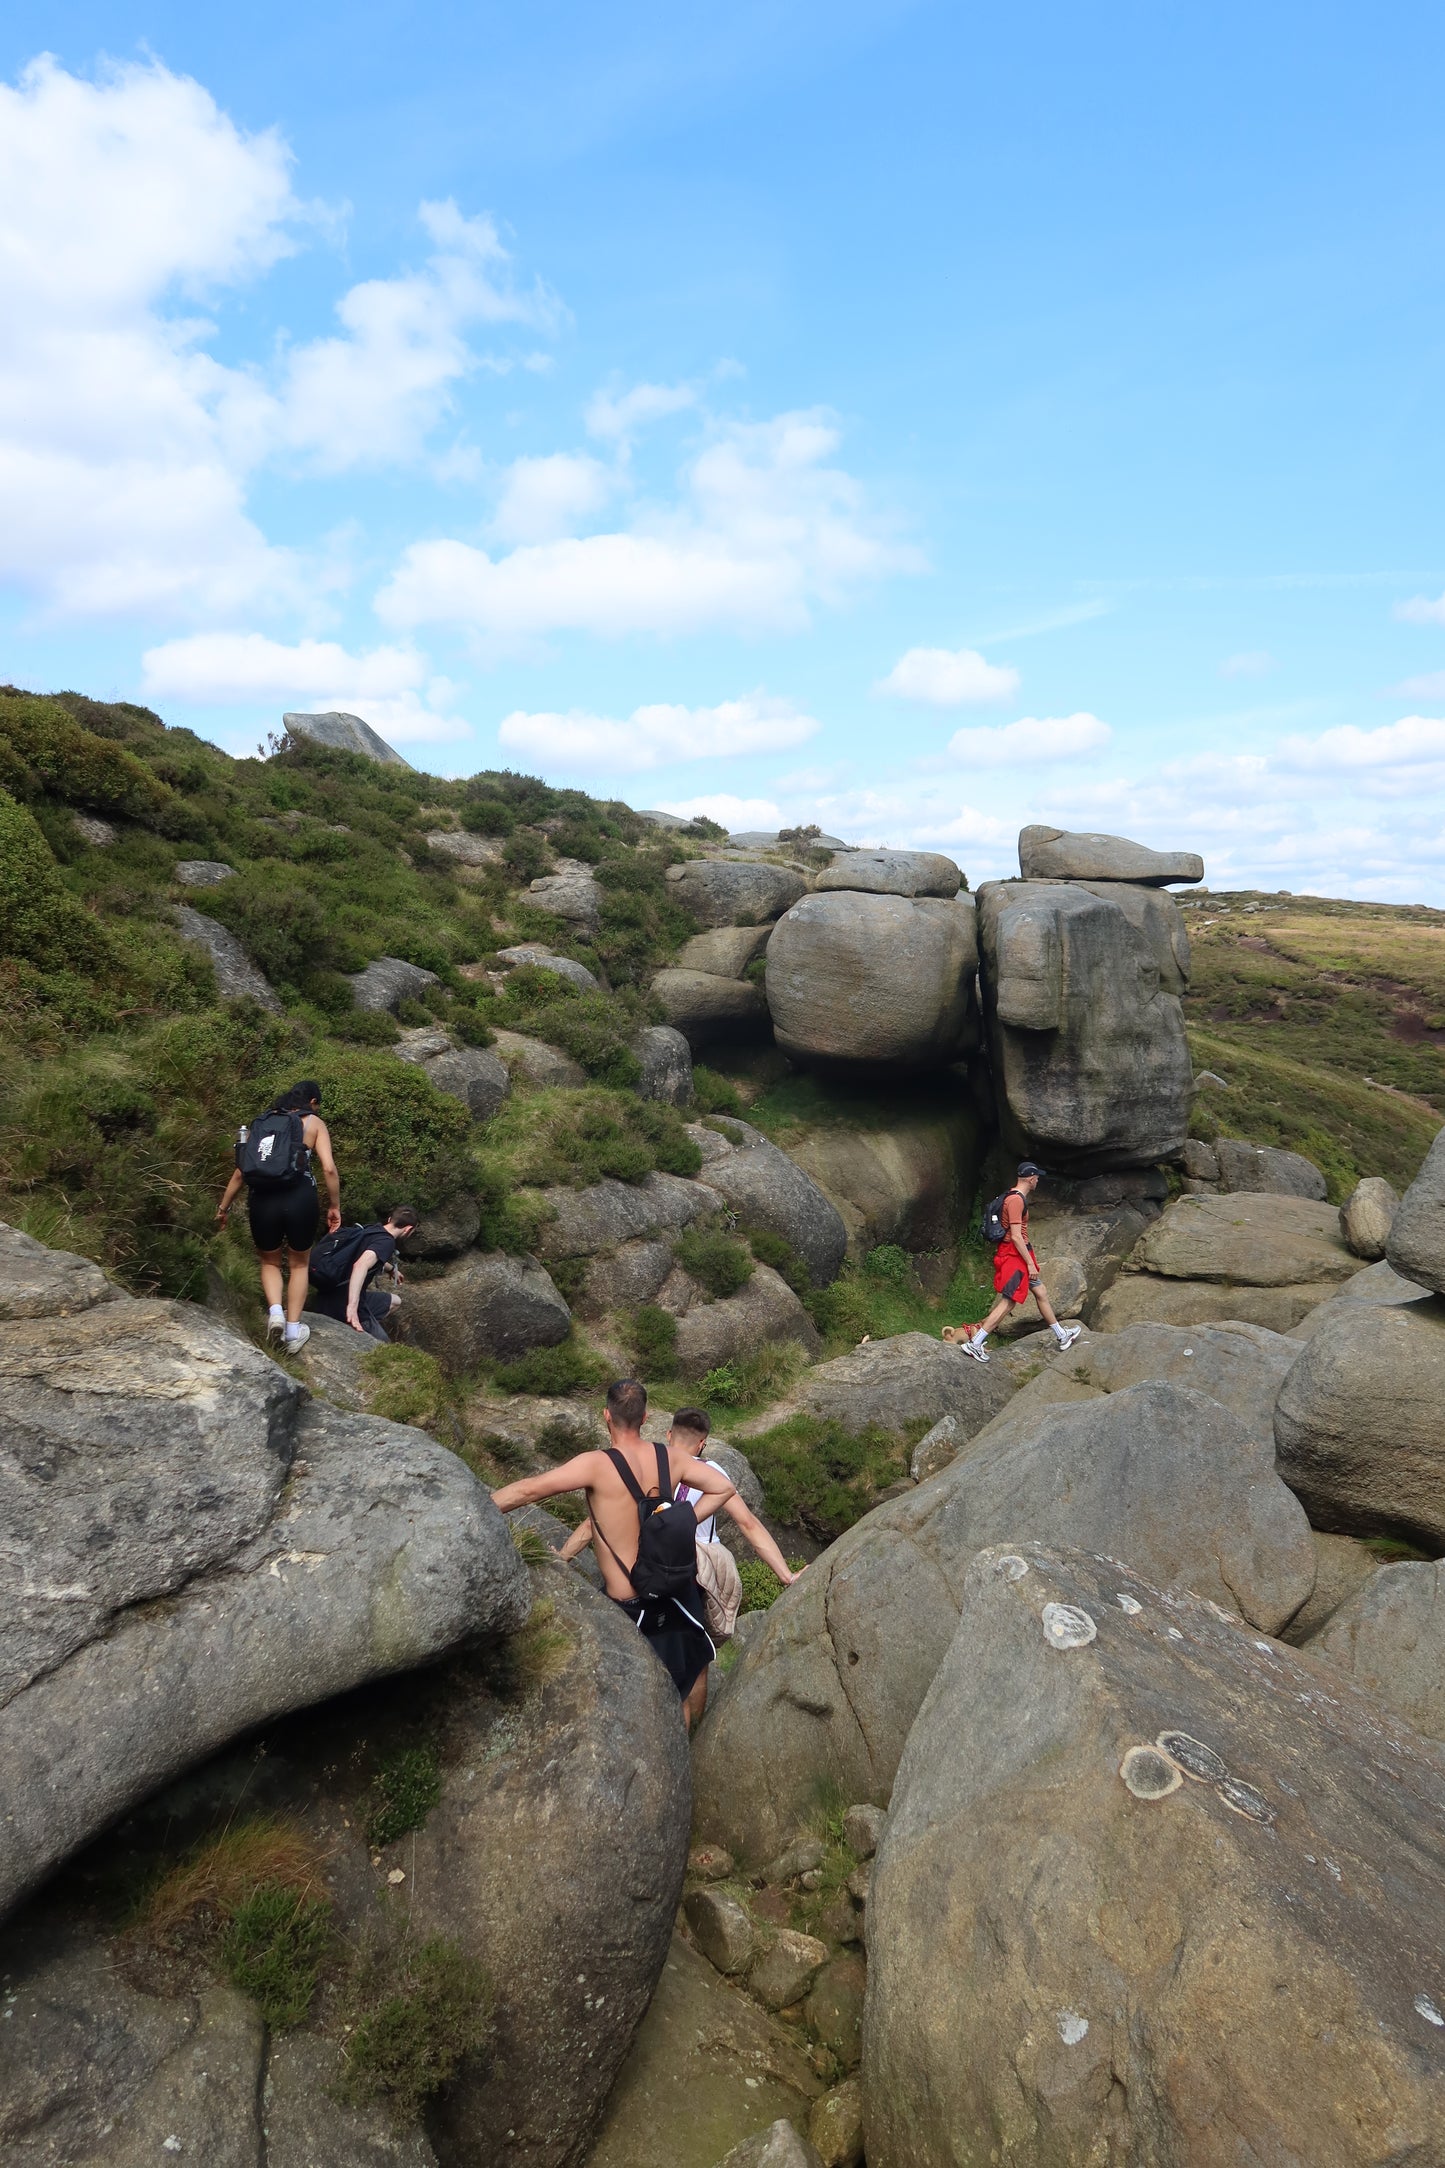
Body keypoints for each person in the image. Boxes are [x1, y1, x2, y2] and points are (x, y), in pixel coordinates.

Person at [491, 1380, 777, 1731]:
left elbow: (528, 1490)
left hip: (629, 1607)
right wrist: (681, 1517)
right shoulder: (670, 1457)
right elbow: (723, 1488)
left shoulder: (595, 1465)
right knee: (678, 1696)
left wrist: (478, 1509)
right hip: (675, 1595)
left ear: (606, 1415)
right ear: (645, 1417)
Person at [556, 1405, 800, 1724]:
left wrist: (561, 1558)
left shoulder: (648, 1468)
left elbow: (594, 1525)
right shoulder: (712, 1473)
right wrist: (786, 1575)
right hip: (692, 1578)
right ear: (702, 1443)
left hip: (646, 1574)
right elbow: (748, 1524)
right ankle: (693, 1734)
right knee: (694, 1662)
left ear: (669, 1434)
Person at [215, 1080, 339, 1354]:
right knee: (298, 1264)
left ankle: (275, 1314)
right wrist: (334, 1205)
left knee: (269, 1261)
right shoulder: (314, 1123)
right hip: (300, 1198)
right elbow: (329, 1169)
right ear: (313, 1102)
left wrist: (223, 1208)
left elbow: (240, 1172)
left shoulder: (263, 1123)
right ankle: (293, 1332)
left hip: (262, 1199)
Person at [945, 1161, 1082, 1363]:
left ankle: (1062, 1335)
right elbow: (1016, 1236)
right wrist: (1029, 1263)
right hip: (1015, 1256)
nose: (1038, 1180)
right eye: (1036, 1177)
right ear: (1030, 1177)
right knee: (1009, 1301)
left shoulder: (1011, 1196)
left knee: (1040, 1291)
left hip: (1018, 1253)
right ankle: (975, 1343)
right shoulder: (1016, 1201)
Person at [309, 1207, 419, 1339]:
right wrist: (352, 1307)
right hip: (344, 1302)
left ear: (390, 1220)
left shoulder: (370, 1229)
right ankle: (355, 1322)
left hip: (329, 1290)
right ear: (408, 1229)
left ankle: (364, 1322)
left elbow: (367, 1254)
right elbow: (360, 1265)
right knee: (382, 1344)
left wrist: (391, 1269)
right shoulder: (387, 1242)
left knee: (395, 1301)